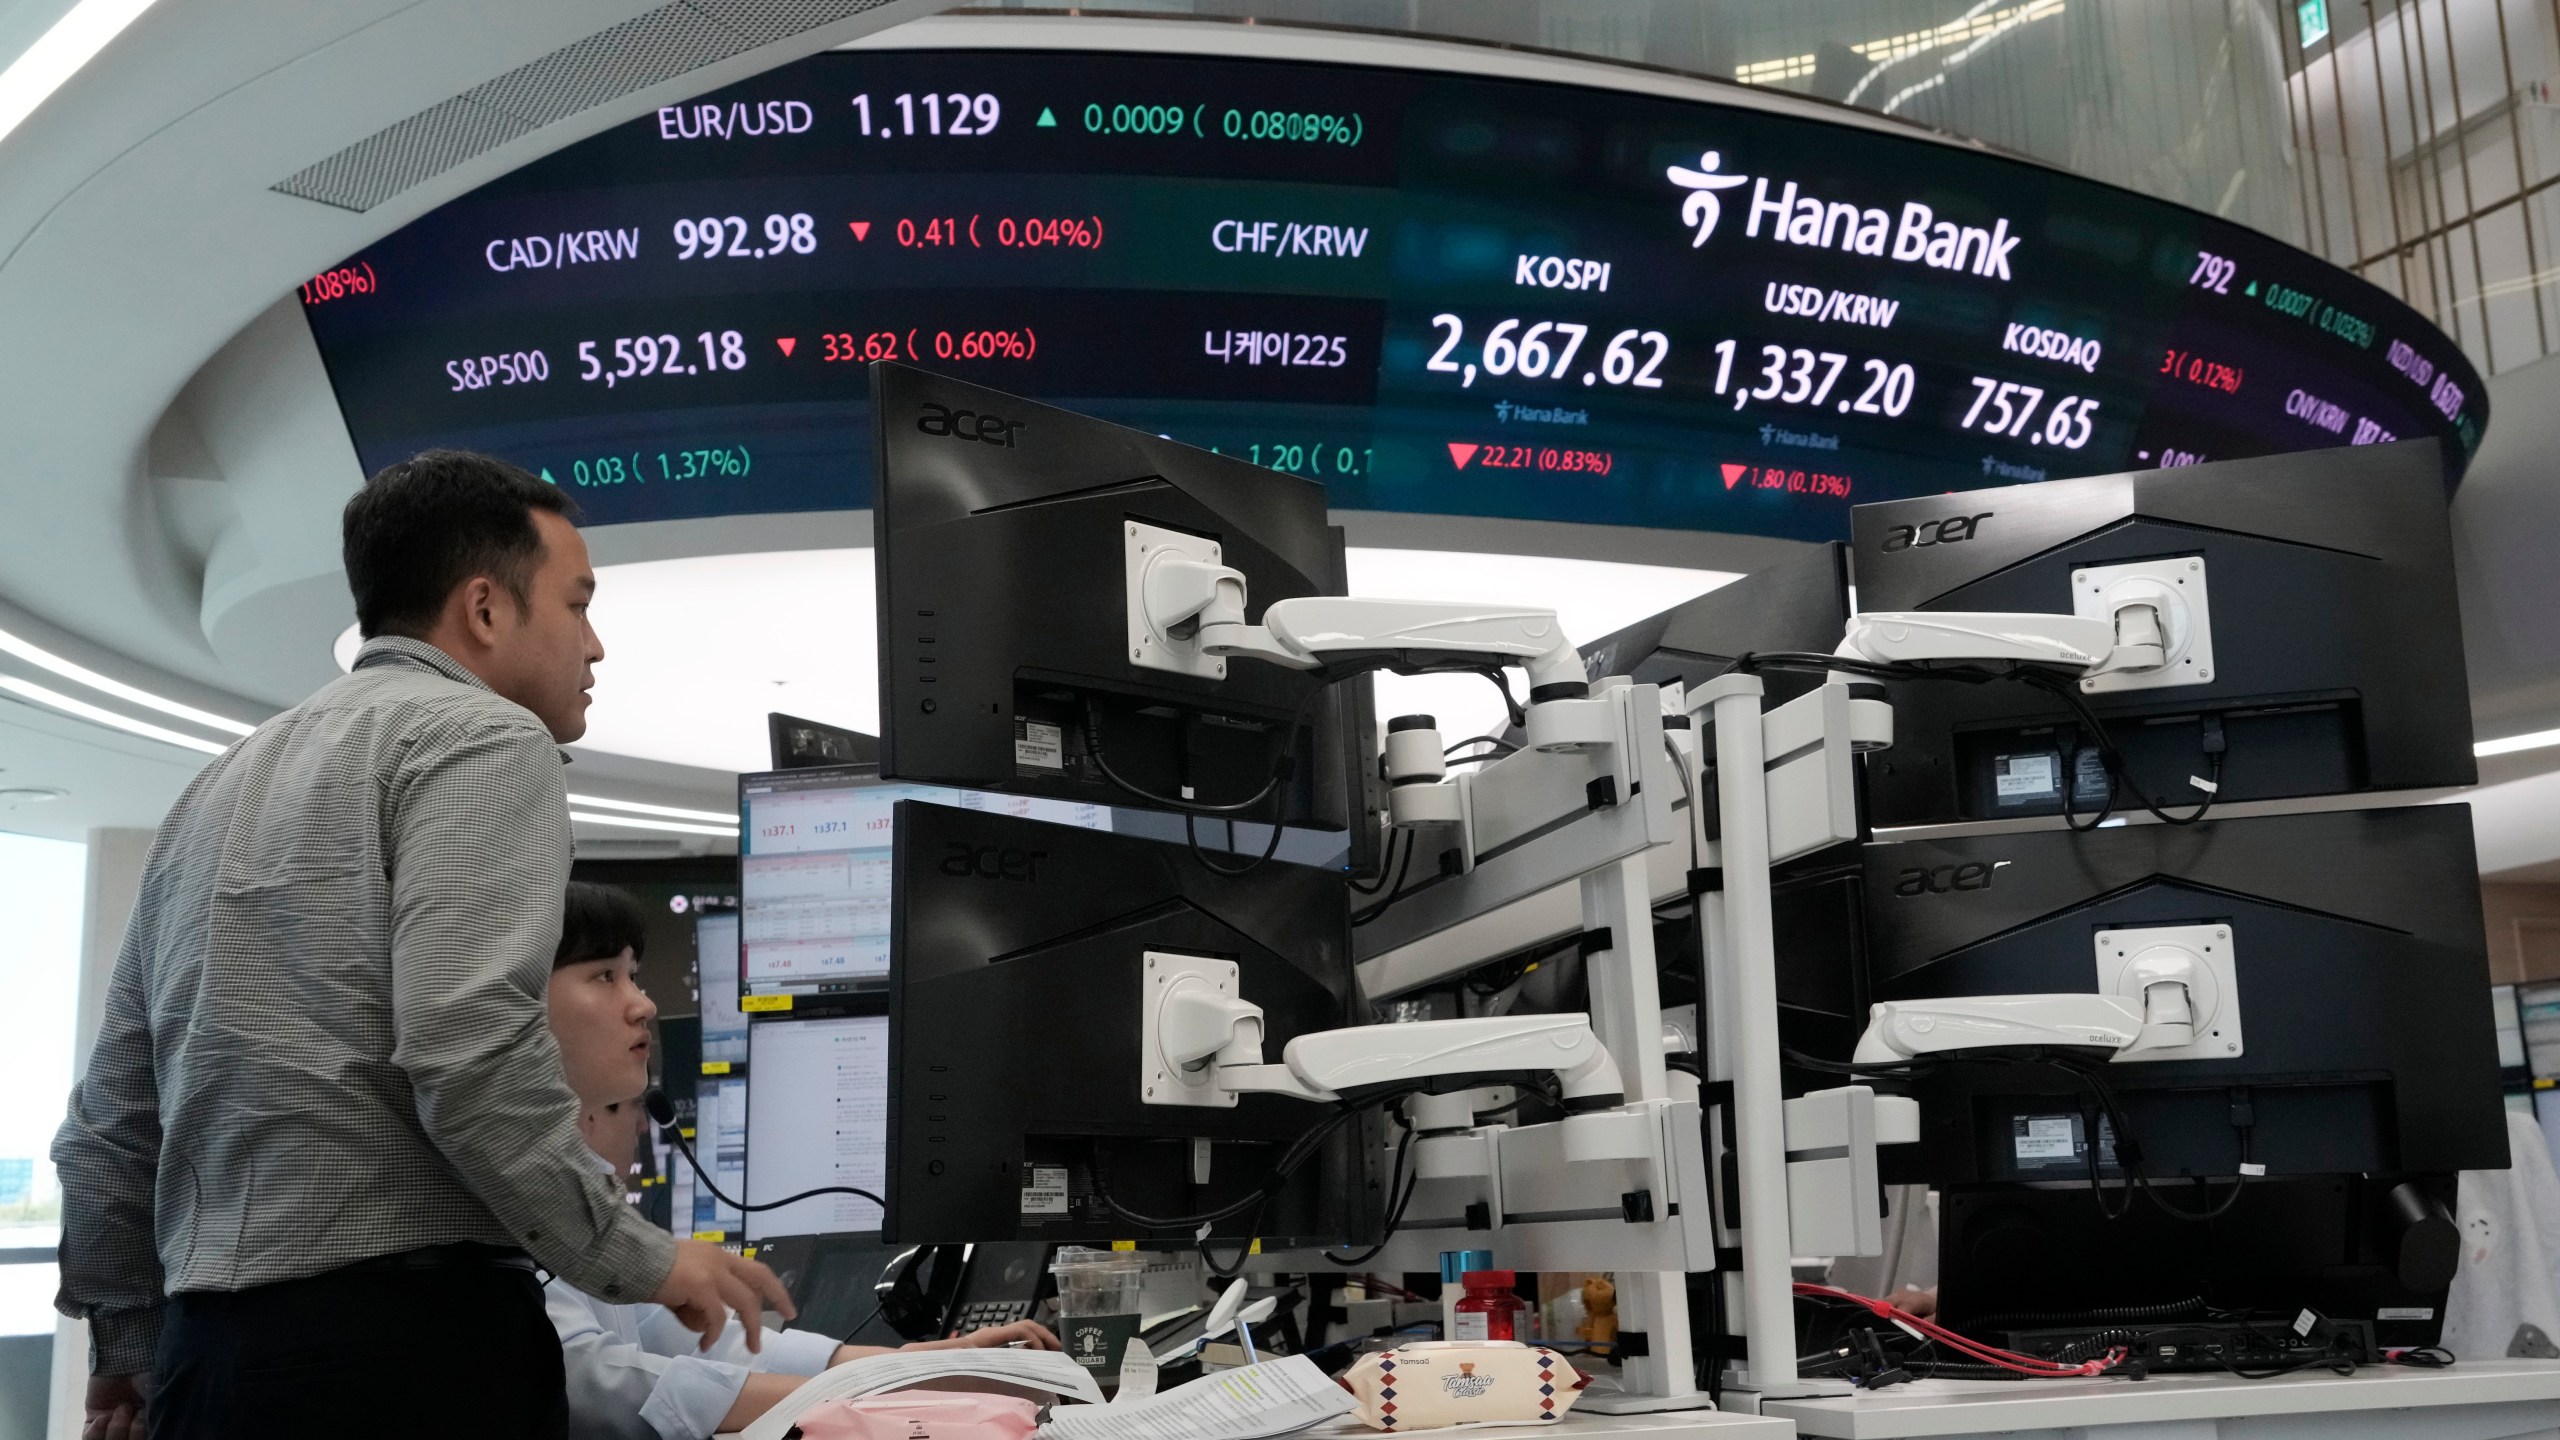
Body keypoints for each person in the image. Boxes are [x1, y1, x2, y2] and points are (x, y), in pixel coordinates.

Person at [52, 452, 792, 1440]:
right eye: (577, 605)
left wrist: (132, 1342)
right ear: (485, 609)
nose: (597, 644)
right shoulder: (482, 739)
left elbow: (110, 1121)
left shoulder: (216, 787)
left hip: (209, 1365)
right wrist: (644, 1260)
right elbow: (468, 1044)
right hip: (405, 1358)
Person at [542, 883, 1056, 1439]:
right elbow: (589, 1381)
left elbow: (702, 1350)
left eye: (634, 975)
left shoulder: (574, 1192)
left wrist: (923, 1370)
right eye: (605, 976)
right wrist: (900, 1385)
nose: (643, 1003)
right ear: (515, 1004)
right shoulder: (496, 1197)